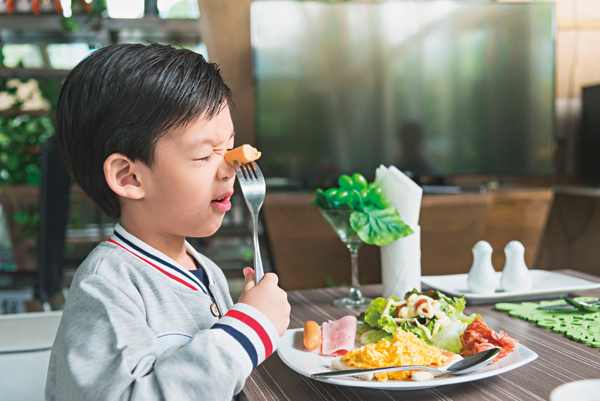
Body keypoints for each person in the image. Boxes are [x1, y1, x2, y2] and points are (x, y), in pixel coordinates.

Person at [45, 42, 290, 401]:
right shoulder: (107, 286)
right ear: (129, 177)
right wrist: (247, 329)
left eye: (231, 148)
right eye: (205, 155)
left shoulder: (207, 271)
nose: (231, 169)